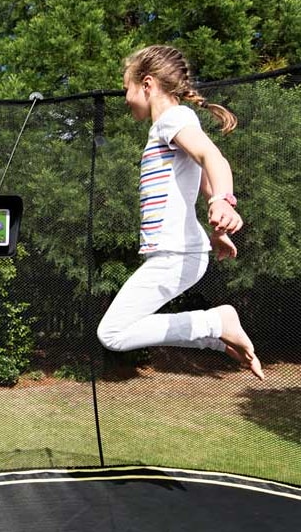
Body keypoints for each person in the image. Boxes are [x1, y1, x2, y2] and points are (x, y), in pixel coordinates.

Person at [97, 44, 264, 381]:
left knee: (111, 333)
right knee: (117, 332)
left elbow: (212, 157)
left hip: (176, 254)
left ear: (146, 85)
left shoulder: (172, 120)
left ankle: (218, 323)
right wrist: (218, 229)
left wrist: (223, 201)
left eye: (126, 88)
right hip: (176, 253)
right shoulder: (169, 128)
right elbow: (202, 182)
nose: (125, 97)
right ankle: (216, 333)